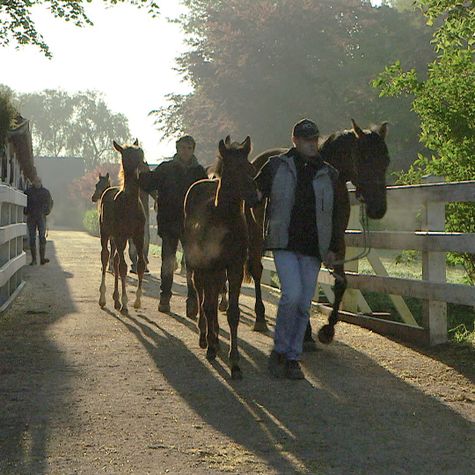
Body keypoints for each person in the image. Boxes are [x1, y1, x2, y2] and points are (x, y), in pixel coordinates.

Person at [254, 119, 339, 380]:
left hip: (313, 247)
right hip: (285, 242)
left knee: (303, 303)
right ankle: (280, 350)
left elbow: (335, 214)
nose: (312, 144)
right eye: (306, 140)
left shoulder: (328, 173)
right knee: (291, 294)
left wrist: (333, 246)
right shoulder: (276, 166)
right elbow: (255, 195)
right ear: (295, 141)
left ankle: (292, 356)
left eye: (314, 139)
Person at [139, 135, 207, 315]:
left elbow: (207, 197)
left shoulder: (199, 172)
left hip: (192, 225)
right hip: (169, 222)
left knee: (192, 264)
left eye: (189, 148)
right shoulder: (166, 168)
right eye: (182, 147)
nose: (185, 151)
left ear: (193, 150)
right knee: (168, 261)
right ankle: (165, 296)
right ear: (177, 149)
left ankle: (192, 299)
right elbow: (148, 184)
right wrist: (144, 172)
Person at [129, 160, 155, 274]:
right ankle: (135, 262)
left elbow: (152, 190)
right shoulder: (130, 176)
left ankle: (143, 261)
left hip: (143, 212)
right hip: (131, 212)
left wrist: (157, 199)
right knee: (133, 239)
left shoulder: (146, 177)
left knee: (145, 237)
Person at [24, 176, 53, 265]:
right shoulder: (28, 192)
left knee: (42, 237)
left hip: (41, 216)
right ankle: (34, 260)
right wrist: (26, 211)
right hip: (32, 217)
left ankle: (42, 258)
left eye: (39, 181)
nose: (38, 183)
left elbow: (50, 203)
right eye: (36, 181)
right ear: (33, 182)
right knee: (32, 238)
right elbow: (24, 203)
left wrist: (46, 212)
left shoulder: (45, 192)